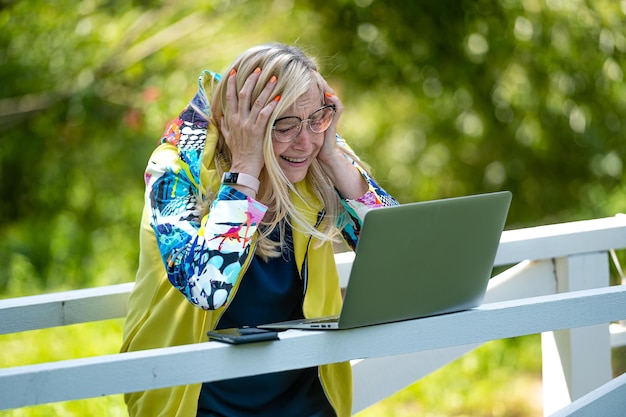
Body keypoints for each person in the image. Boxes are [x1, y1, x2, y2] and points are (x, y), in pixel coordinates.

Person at [121, 43, 398, 417]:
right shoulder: (175, 170)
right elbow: (208, 288)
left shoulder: (316, 158)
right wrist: (246, 166)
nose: (305, 142)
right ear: (245, 124)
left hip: (305, 397)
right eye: (284, 126)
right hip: (197, 400)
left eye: (317, 120)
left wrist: (332, 154)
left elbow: (397, 255)